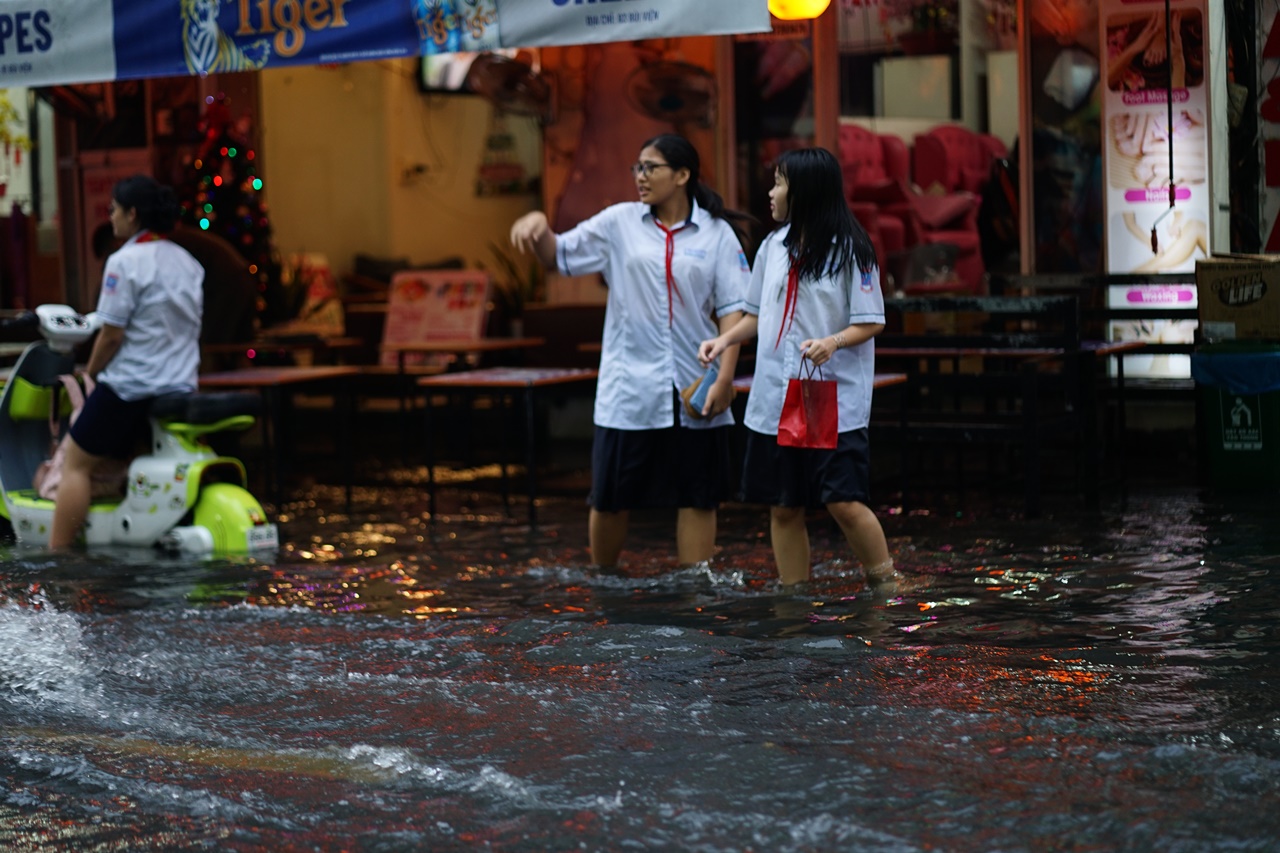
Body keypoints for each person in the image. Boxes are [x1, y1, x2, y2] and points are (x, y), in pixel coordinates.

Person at [510, 133, 751, 568]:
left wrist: (724, 378)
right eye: (637, 167)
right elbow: (558, 256)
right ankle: (604, 582)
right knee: (609, 496)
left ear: (682, 175)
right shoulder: (618, 223)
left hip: (694, 385)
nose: (640, 177)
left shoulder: (718, 234)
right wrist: (537, 224)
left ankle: (694, 588)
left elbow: (734, 312)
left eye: (650, 167)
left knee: (699, 497)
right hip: (629, 387)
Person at [698, 147, 911, 596]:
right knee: (783, 504)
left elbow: (872, 320)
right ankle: (793, 596)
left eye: (779, 183)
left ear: (805, 190)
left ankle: (886, 583)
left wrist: (833, 342)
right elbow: (757, 315)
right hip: (776, 391)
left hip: (827, 393)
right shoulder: (773, 246)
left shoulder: (851, 249)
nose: (770, 193)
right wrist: (725, 340)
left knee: (843, 500)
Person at [49, 176, 204, 549]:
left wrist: (91, 373)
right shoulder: (188, 263)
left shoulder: (124, 261)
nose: (111, 217)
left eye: (114, 209)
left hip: (132, 386)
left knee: (75, 463)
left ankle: (57, 557)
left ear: (132, 214)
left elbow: (111, 334)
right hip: (180, 384)